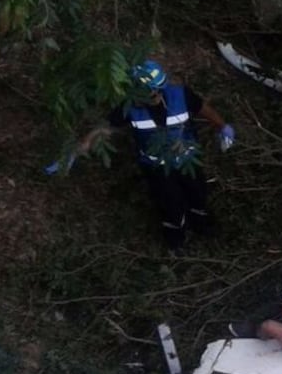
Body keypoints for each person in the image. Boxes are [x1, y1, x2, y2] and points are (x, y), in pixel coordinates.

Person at [76, 60, 235, 249]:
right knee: (171, 204)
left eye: (160, 90)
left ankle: (201, 224)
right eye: (153, 92)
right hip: (158, 168)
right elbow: (104, 128)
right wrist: (80, 147)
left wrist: (223, 126)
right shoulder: (129, 108)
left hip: (188, 160)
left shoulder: (180, 95)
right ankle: (175, 238)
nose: (158, 95)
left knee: (198, 194)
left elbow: (203, 108)